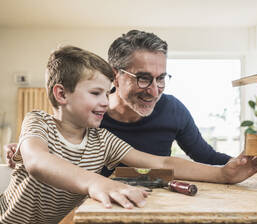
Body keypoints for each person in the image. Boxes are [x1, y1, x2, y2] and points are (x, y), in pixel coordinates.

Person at [0, 46, 257, 224]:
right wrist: (95, 182)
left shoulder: (103, 140)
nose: (105, 101)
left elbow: (163, 163)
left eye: (107, 92)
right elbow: (37, 162)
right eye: (95, 93)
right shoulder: (39, 122)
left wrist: (223, 173)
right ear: (61, 94)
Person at [5, 30, 233, 174]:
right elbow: (51, 146)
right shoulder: (88, 115)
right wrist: (25, 147)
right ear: (115, 75)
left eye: (161, 78)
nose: (154, 91)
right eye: (143, 78)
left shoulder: (173, 110)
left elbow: (202, 158)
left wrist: (244, 166)